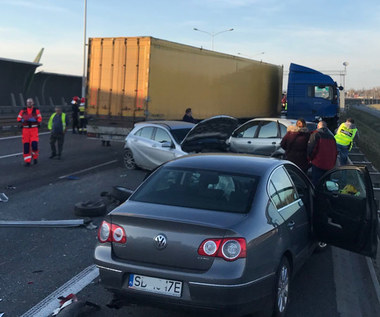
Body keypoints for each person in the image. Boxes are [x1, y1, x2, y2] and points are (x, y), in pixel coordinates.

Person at [307, 121, 337, 185]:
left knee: (316, 182)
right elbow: (335, 152)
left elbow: (312, 148)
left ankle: (316, 194)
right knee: (326, 183)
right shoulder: (332, 137)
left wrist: (309, 159)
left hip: (318, 163)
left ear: (318, 126)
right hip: (329, 165)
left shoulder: (316, 134)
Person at [17, 98, 42, 166]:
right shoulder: (23, 110)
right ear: (26, 103)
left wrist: (34, 120)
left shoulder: (36, 110)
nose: (29, 103)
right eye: (28, 102)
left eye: (30, 102)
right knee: (26, 146)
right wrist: (22, 120)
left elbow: (40, 119)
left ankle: (35, 157)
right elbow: (18, 118)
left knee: (34, 145)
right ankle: (27, 161)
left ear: (33, 103)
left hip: (34, 129)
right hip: (25, 130)